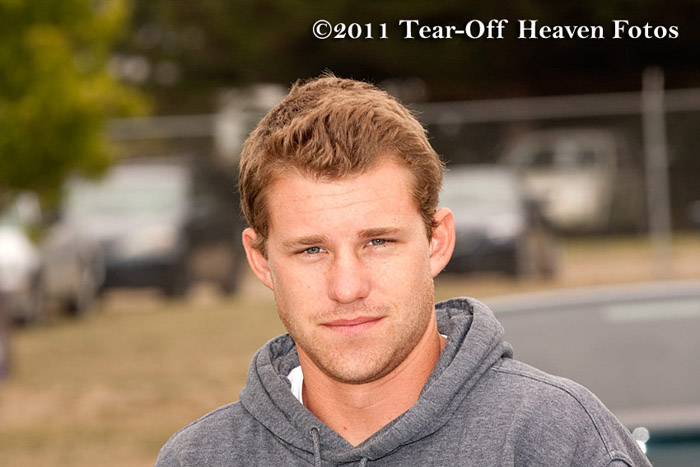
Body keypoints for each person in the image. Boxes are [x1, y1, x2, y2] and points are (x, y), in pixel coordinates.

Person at [155, 75, 651, 466]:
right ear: (261, 260)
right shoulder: (199, 459)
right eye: (311, 250)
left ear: (437, 242)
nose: (347, 287)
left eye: (378, 242)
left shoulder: (556, 441)